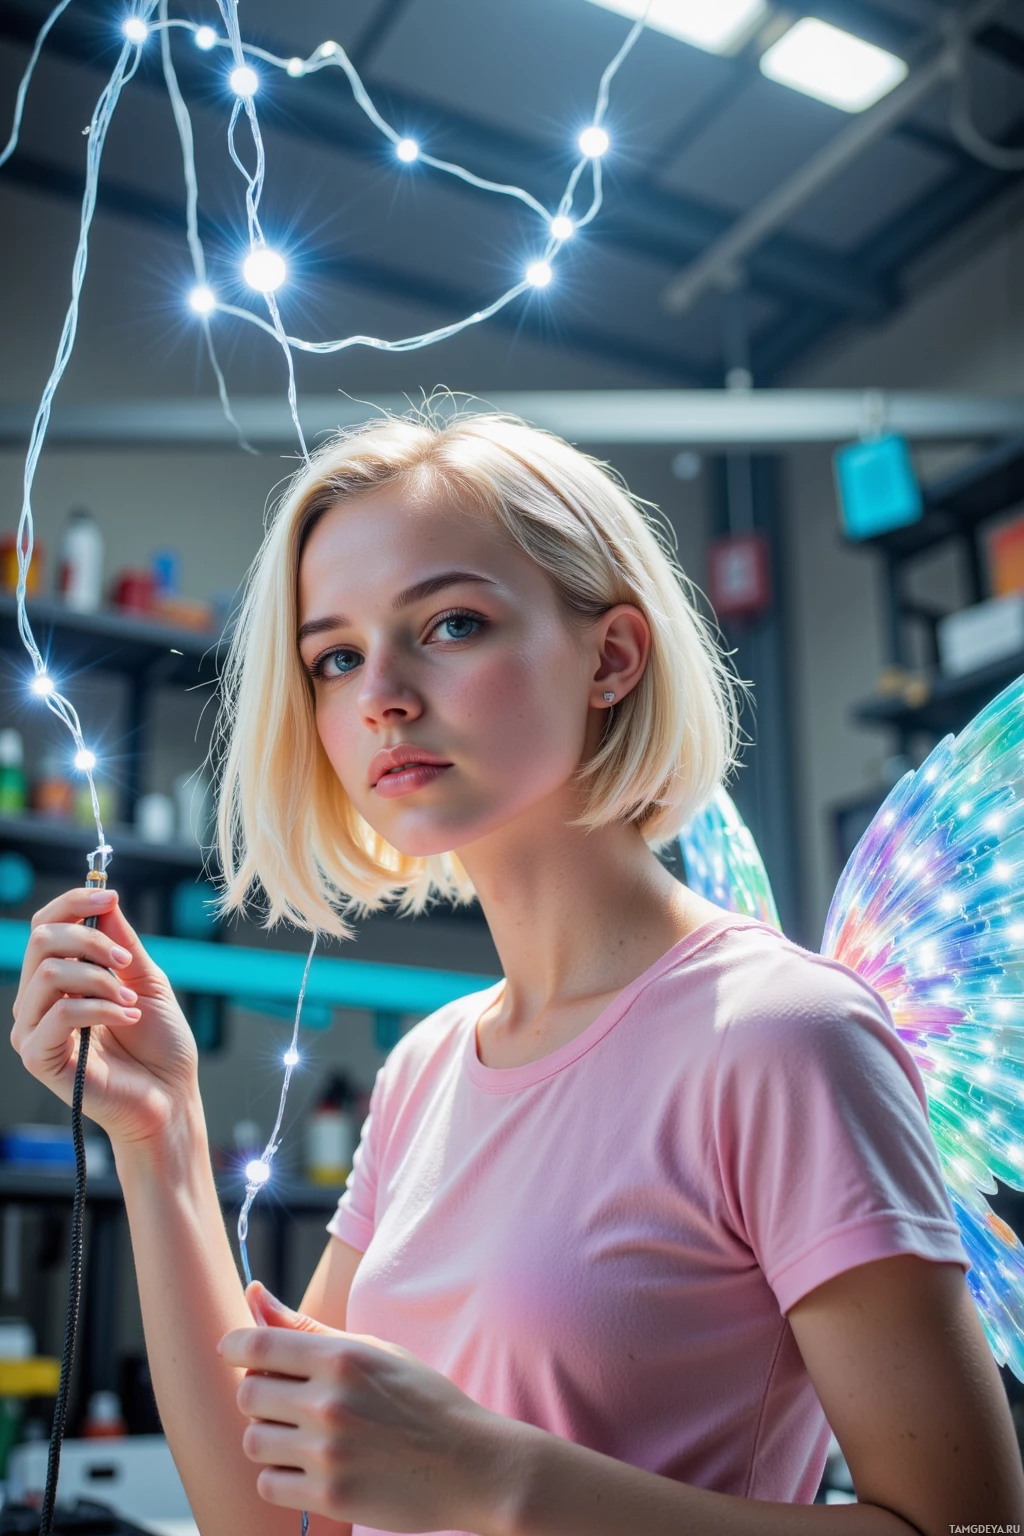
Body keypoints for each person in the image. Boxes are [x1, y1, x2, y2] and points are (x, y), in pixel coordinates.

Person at [10, 411, 1024, 1536]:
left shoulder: (785, 1035)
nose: (380, 694)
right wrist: (161, 1138)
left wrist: (501, 1482)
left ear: (612, 655)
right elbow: (273, 1519)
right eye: (334, 657)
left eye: (449, 623)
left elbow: (967, 1529)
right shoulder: (426, 1068)